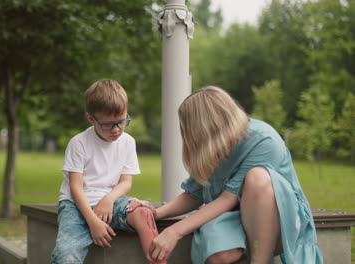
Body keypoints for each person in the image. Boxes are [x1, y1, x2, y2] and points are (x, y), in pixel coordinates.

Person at [129, 86, 323, 264]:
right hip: (234, 215)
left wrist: (175, 231)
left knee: (257, 177)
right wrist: (156, 212)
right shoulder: (214, 147)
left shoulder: (263, 140)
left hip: (276, 214)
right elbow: (194, 194)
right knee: (219, 256)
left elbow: (228, 199)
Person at [50, 79, 165, 264]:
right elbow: (75, 188)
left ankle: (158, 262)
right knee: (66, 254)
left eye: (122, 121)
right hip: (77, 206)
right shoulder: (78, 143)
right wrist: (93, 222)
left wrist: (108, 200)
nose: (117, 129)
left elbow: (126, 183)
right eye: (109, 124)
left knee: (143, 212)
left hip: (113, 200)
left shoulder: (128, 142)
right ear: (91, 118)